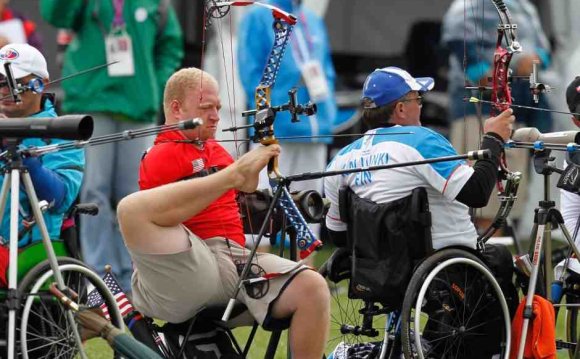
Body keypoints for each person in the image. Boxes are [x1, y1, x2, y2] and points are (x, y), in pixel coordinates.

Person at [120, 67, 330, 358]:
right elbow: (172, 215)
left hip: (236, 259)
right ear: (177, 108)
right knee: (129, 209)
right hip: (191, 262)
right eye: (206, 108)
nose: (216, 115)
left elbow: (245, 184)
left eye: (218, 107)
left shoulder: (215, 149)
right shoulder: (159, 156)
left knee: (312, 287)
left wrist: (256, 160)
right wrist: (234, 174)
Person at [40, 0, 184, 291]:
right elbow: (55, 13)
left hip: (138, 108)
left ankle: (134, 277)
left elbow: (170, 44)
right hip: (92, 103)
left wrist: (154, 87)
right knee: (95, 193)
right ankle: (100, 280)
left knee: (134, 195)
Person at [324, 67, 514, 250]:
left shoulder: (339, 161)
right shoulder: (422, 141)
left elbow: (339, 235)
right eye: (418, 98)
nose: (421, 105)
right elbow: (476, 193)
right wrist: (494, 138)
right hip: (446, 268)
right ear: (400, 109)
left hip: (376, 276)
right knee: (502, 258)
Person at [441, 0, 553, 232]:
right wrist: (488, 74)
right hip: (479, 110)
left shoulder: (525, 7)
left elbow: (544, 49)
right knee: (477, 189)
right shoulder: (467, 5)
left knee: (505, 190)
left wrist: (535, 59)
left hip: (517, 108)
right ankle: (472, 253)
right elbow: (458, 45)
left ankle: (490, 253)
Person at [0, 43, 84, 286]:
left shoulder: (61, 131)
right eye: (0, 82)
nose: (5, 90)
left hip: (32, 251)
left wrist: (15, 149)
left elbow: (59, 197)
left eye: (13, 82)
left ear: (40, 83)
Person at [238, 0, 337, 196]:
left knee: (310, 206)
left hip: (316, 130)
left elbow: (327, 71)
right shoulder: (258, 16)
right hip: (276, 131)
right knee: (267, 203)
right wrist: (269, 115)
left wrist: (329, 112)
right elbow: (250, 75)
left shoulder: (312, 19)